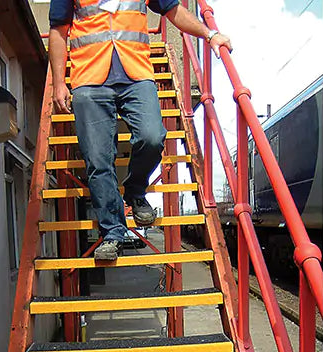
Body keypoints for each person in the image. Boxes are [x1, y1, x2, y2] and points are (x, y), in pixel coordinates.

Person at [48, 0, 232, 260]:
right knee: (98, 161)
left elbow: (173, 9)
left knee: (152, 137)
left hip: (136, 75)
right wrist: (59, 82)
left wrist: (210, 34)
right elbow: (58, 30)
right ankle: (112, 233)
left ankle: (135, 190)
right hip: (89, 79)